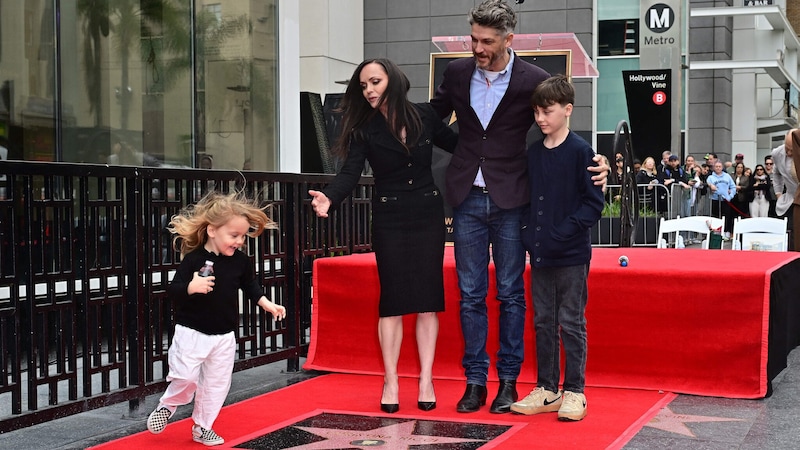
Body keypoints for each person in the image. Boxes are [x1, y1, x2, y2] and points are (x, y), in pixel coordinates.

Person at [429, 0, 608, 414]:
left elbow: (557, 122)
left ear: (509, 39)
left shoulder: (534, 78)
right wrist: (461, 152)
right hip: (468, 198)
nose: (478, 47)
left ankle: (508, 382)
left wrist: (593, 160)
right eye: (473, 38)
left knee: (511, 294)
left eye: (487, 41)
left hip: (513, 200)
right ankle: (475, 381)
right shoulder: (456, 73)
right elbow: (432, 119)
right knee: (470, 294)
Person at [308, 58, 458, 413]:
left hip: (427, 214)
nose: (370, 90)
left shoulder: (425, 115)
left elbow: (462, 148)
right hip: (389, 217)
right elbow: (349, 172)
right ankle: (390, 380)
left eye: (375, 81)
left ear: (392, 79)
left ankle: (426, 379)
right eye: (363, 86)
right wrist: (330, 195)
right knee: (391, 302)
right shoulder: (365, 129)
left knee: (426, 301)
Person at [146, 191, 286, 446]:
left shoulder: (241, 262)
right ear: (212, 231)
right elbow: (174, 290)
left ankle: (203, 426)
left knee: (216, 385)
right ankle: (168, 405)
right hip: (192, 332)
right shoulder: (194, 260)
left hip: (223, 336)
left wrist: (268, 304)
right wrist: (191, 287)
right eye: (234, 235)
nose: (240, 241)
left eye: (243, 236)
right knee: (186, 377)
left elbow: (251, 287)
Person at [509, 75, 603, 421]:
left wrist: (562, 232)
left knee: (571, 320)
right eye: (536, 112)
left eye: (546, 111)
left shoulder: (582, 151)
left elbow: (593, 204)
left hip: (572, 254)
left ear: (567, 110)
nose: (540, 118)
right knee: (544, 320)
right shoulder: (533, 152)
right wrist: (527, 233)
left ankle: (575, 390)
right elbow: (527, 198)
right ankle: (547, 387)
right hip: (541, 252)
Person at [771, 128, 800, 250]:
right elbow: (776, 173)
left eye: (791, 150)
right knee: (791, 233)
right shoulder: (777, 153)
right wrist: (778, 193)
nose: (788, 153)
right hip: (790, 200)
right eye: (786, 148)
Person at [706, 160, 736, 237]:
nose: (718, 168)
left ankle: (726, 231)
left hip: (726, 200)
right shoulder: (711, 177)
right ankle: (716, 232)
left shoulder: (727, 176)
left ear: (722, 167)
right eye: (716, 166)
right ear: (714, 168)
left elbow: (733, 187)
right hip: (715, 199)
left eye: (719, 166)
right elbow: (708, 184)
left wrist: (730, 196)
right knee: (715, 216)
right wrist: (711, 186)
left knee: (727, 216)